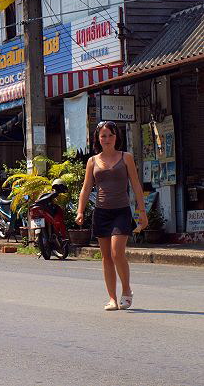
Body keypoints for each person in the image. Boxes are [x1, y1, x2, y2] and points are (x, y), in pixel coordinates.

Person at [76, 121, 147, 311]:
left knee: (117, 253)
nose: (107, 139)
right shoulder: (92, 161)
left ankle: (126, 290)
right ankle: (112, 299)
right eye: (103, 136)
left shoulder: (126, 157)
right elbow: (86, 188)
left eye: (110, 135)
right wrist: (80, 210)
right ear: (98, 139)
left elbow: (136, 186)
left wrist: (142, 212)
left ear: (117, 137)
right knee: (106, 256)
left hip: (121, 211)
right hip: (101, 212)